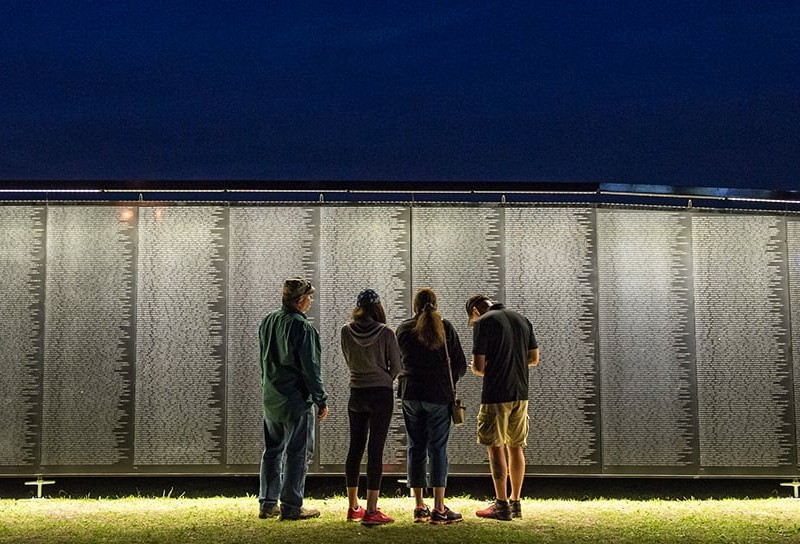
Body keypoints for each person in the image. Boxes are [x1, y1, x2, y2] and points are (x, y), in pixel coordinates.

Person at [258, 278, 329, 521]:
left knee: (272, 451)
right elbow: (311, 368)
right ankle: (291, 506)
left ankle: (267, 503)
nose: (311, 301)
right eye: (309, 297)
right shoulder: (303, 327)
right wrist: (321, 399)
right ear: (300, 301)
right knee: (297, 453)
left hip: (271, 398)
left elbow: (263, 361)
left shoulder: (268, 320)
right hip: (296, 401)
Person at [396, 287, 467, 525]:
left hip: (410, 394)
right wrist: (449, 381)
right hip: (438, 395)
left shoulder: (403, 329)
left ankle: (418, 506)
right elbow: (460, 364)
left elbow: (396, 363)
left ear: (414, 306)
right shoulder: (445, 328)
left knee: (415, 447)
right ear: (436, 305)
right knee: (437, 449)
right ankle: (439, 507)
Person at [465, 293, 539, 521]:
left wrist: (481, 368)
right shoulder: (521, 319)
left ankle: (501, 504)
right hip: (521, 393)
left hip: (496, 395)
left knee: (495, 447)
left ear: (475, 311)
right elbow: (534, 358)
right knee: (516, 447)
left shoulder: (483, 323)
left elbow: (479, 366)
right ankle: (515, 502)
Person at [340, 288, 402, 526]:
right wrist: (384, 376)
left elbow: (348, 359)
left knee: (355, 448)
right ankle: (372, 510)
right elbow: (396, 366)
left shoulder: (346, 330)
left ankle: (353, 506)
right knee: (375, 449)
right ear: (378, 308)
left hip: (356, 392)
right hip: (380, 394)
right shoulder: (386, 332)